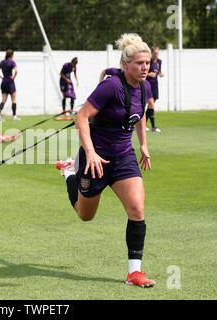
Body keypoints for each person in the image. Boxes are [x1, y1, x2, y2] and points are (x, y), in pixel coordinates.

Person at [56, 33, 155, 288]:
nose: (145, 68)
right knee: (85, 215)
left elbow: (139, 113)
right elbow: (81, 117)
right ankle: (69, 172)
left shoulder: (146, 86)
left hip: (124, 158)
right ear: (126, 65)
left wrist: (143, 144)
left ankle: (134, 272)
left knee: (137, 209)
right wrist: (89, 152)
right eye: (139, 64)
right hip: (95, 159)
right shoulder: (111, 86)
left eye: (147, 63)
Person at [0, 49, 19, 121]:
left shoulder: (2, 62)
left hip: (3, 82)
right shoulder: (12, 62)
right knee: (13, 99)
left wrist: (1, 77)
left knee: (3, 100)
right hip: (10, 82)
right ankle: (14, 116)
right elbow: (16, 71)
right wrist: (13, 77)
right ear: (11, 55)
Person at [145, 45, 164, 132]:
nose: (156, 55)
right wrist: (149, 74)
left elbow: (158, 72)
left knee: (150, 106)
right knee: (151, 105)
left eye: (158, 53)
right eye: (155, 53)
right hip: (147, 85)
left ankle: (143, 124)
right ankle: (153, 126)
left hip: (155, 85)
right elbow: (143, 73)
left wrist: (160, 74)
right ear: (152, 53)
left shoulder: (159, 61)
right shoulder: (147, 61)